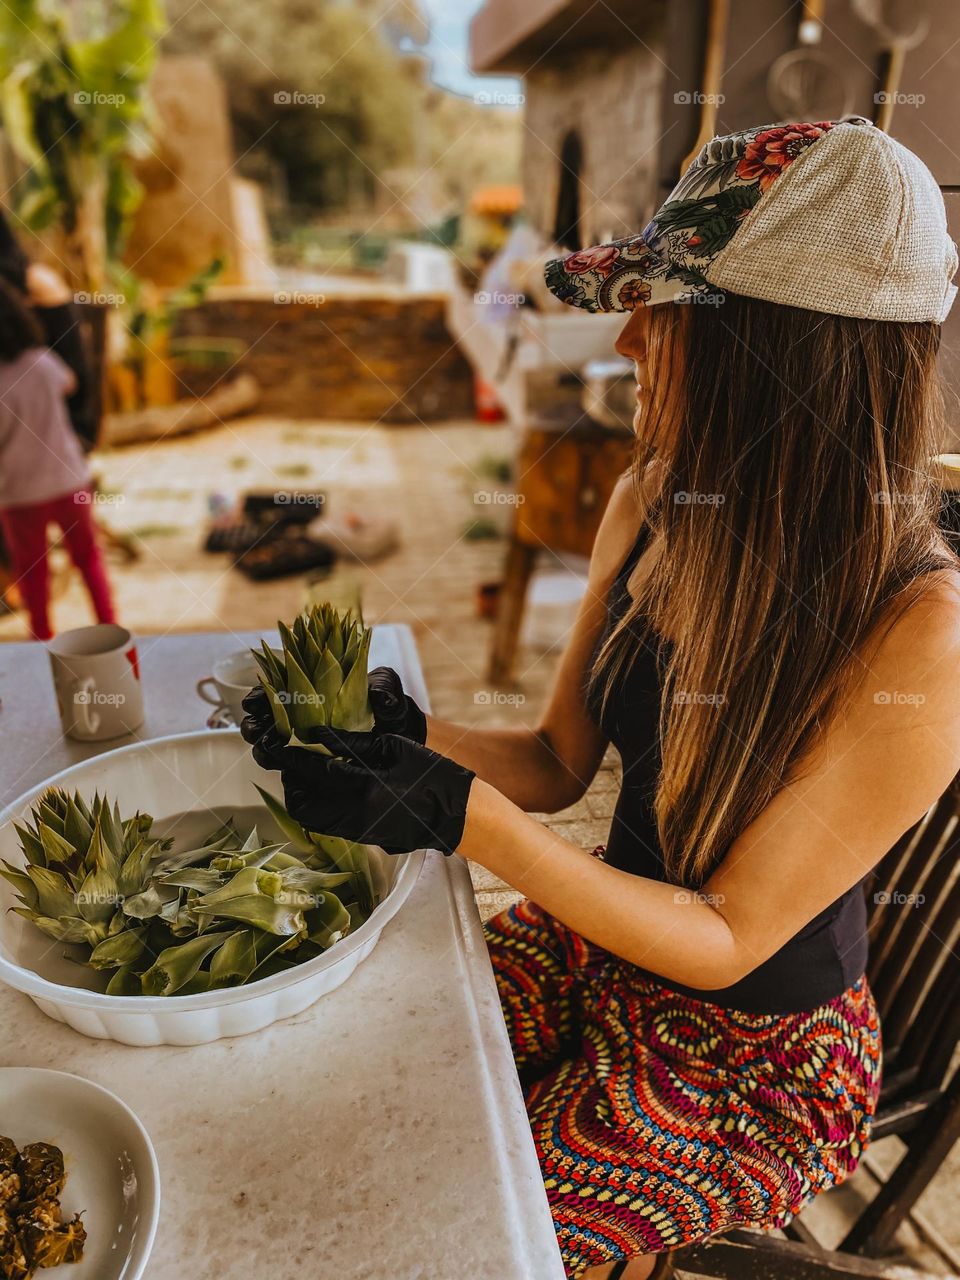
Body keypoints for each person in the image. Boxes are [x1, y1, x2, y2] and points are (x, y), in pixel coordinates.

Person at [240, 117, 960, 1280]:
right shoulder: (652, 496)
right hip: (601, 947)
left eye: (661, 307)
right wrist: (401, 738)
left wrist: (463, 817)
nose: (624, 337)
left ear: (776, 352)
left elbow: (728, 933)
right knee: (350, 1063)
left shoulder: (921, 635)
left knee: (461, 1228)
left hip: (755, 1058)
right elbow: (556, 760)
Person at [0, 280, 116, 641]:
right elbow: (70, 383)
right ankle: (113, 633)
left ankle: (42, 645)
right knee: (89, 560)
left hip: (20, 495)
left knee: (33, 576)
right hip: (69, 482)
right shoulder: (43, 363)